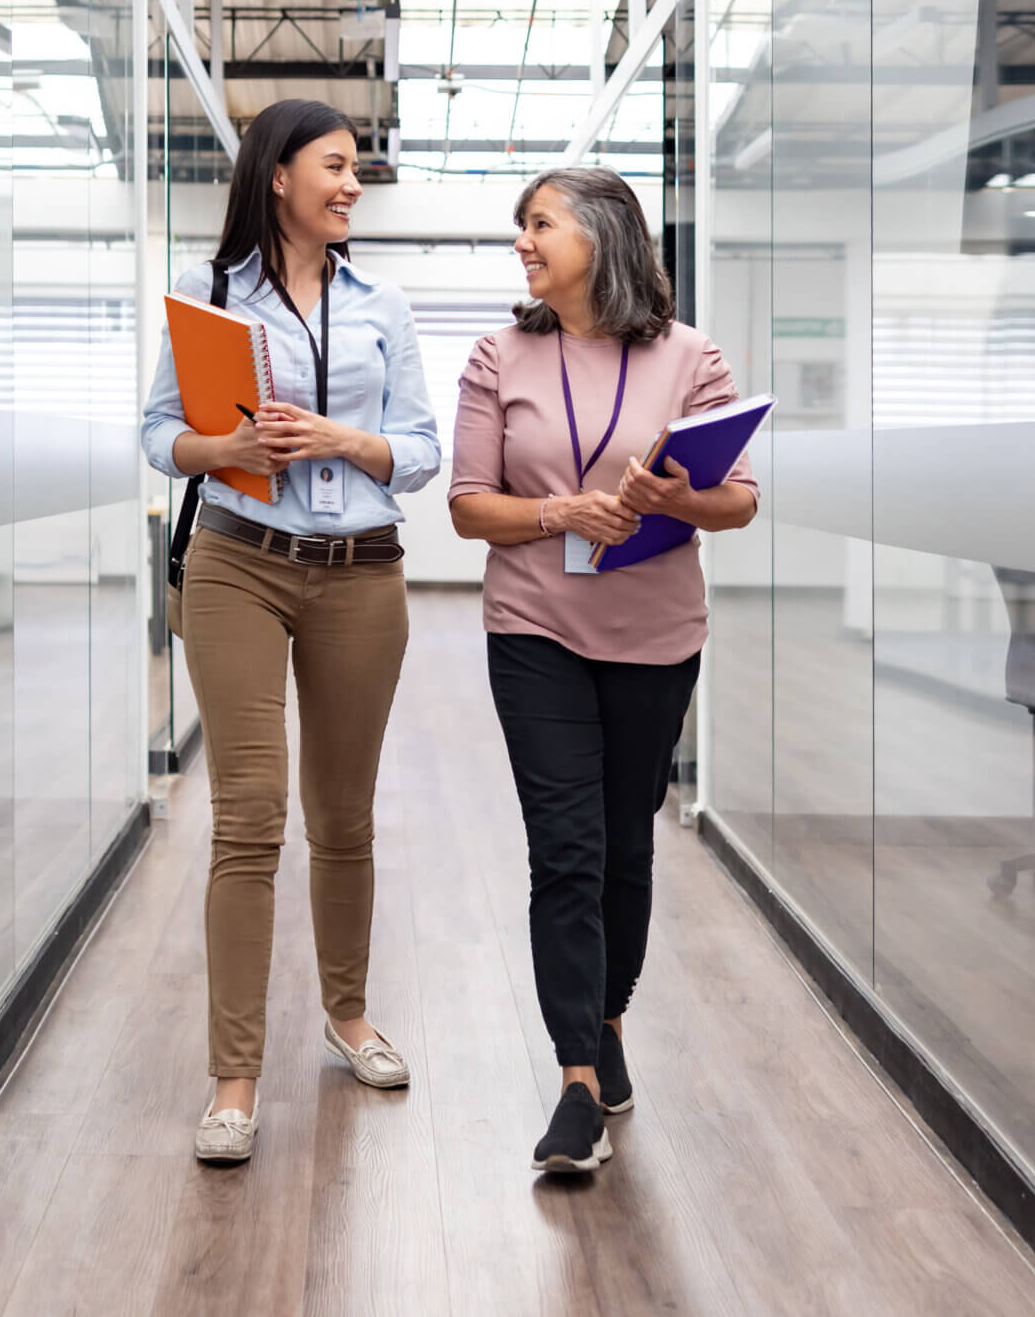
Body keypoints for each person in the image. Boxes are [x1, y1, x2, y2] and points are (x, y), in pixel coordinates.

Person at [140, 99, 442, 1164]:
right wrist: (219, 445)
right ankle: (233, 1076)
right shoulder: (209, 294)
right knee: (248, 813)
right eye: (337, 166)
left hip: (361, 574)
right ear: (277, 176)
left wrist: (341, 440)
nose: (353, 185)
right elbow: (154, 434)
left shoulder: (381, 306)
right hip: (237, 564)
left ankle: (348, 1015)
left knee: (343, 814)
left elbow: (420, 449)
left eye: (357, 170)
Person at [448, 167, 759, 1173]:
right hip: (533, 625)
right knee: (566, 849)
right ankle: (577, 1076)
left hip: (657, 632)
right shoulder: (501, 354)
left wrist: (674, 498)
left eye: (537, 225)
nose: (522, 244)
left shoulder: (689, 356)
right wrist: (561, 512)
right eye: (519, 229)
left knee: (627, 845)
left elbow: (740, 499)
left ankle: (609, 1018)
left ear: (599, 233)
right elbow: (466, 505)